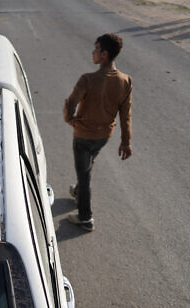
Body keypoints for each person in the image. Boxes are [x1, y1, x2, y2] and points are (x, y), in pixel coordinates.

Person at [63, 33, 132, 231]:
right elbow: (125, 115)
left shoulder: (88, 79)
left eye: (96, 49)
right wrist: (126, 142)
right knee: (88, 164)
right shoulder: (125, 81)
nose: (93, 52)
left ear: (104, 54)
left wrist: (69, 119)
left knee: (84, 174)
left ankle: (85, 217)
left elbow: (71, 103)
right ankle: (78, 191)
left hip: (84, 135)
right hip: (104, 137)